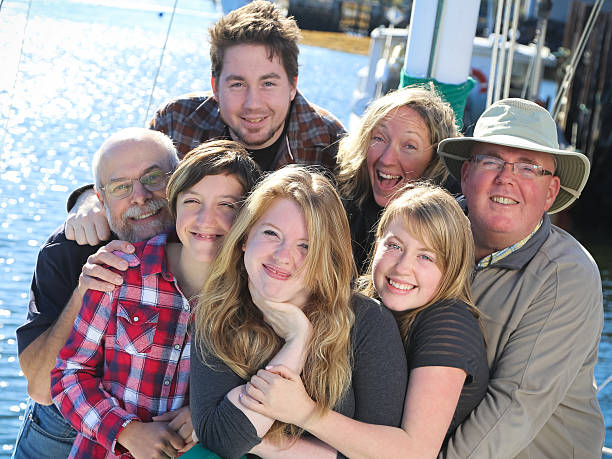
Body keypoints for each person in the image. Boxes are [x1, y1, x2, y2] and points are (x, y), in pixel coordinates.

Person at [66, 0, 345, 247]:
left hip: (276, 284)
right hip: (185, 279)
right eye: (237, 84)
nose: (252, 103)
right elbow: (129, 176)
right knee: (68, 246)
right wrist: (89, 198)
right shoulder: (178, 120)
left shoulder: (329, 141)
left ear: (293, 85)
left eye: (268, 83)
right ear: (215, 85)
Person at [239, 182, 489, 458]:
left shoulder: (448, 324)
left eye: (426, 257)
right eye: (394, 246)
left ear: (451, 269)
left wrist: (297, 416)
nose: (403, 266)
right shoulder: (363, 307)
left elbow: (414, 452)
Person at [50, 140, 262, 458]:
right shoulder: (119, 271)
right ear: (173, 205)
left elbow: (265, 380)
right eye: (193, 202)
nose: (206, 219)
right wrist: (127, 431)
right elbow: (68, 373)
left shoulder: (257, 295)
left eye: (227, 206)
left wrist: (208, 415)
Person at [188, 166, 408, 458]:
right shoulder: (218, 312)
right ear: (244, 238)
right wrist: (297, 341)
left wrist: (283, 424)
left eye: (305, 246)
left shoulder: (367, 322)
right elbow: (222, 440)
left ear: (325, 259)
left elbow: (379, 453)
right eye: (270, 233)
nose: (283, 256)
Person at [436, 98, 604, 458]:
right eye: (491, 160)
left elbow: (512, 412)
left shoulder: (567, 277)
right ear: (466, 174)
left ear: (551, 192)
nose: (506, 177)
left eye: (528, 167)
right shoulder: (428, 237)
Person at [12, 128, 179, 458]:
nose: (141, 196)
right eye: (121, 187)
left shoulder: (207, 240)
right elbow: (41, 387)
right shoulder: (67, 250)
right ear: (101, 200)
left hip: (162, 435)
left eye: (154, 178)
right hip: (61, 431)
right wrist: (83, 291)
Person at [335, 85, 460, 272]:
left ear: (434, 160)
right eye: (379, 138)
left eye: (409, 146)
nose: (386, 159)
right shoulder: (342, 206)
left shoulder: (449, 232)